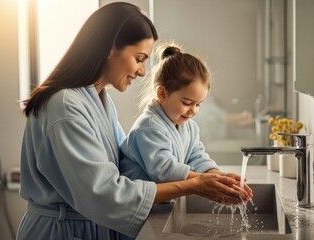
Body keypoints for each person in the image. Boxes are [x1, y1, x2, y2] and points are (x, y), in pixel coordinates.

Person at [16, 2, 251, 240]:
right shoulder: (65, 106)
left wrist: (211, 175)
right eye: (139, 59)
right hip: (61, 231)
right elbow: (105, 193)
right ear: (109, 47)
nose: (142, 72)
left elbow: (123, 165)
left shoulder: (99, 101)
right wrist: (195, 184)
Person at [119, 44, 249, 185]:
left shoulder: (189, 127)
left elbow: (197, 157)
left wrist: (217, 175)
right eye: (187, 103)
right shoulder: (149, 127)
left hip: (163, 200)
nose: (193, 110)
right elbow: (164, 171)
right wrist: (204, 180)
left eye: (198, 104)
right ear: (162, 93)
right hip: (139, 201)